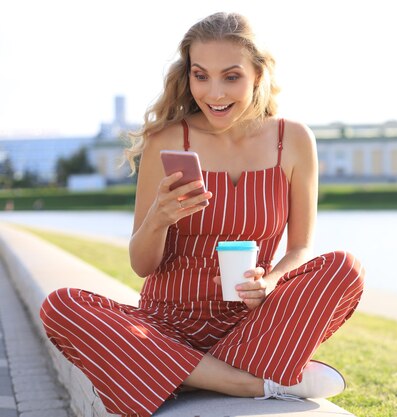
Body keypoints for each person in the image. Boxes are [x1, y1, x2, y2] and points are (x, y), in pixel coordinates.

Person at [39, 11, 365, 417]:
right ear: (188, 76)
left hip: (251, 326)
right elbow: (141, 265)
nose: (214, 93)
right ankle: (247, 382)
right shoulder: (167, 139)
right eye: (200, 75)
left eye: (231, 76)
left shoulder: (293, 140)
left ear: (257, 76)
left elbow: (299, 248)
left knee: (345, 269)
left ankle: (187, 375)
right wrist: (159, 217)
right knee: (61, 305)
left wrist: (270, 283)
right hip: (165, 325)